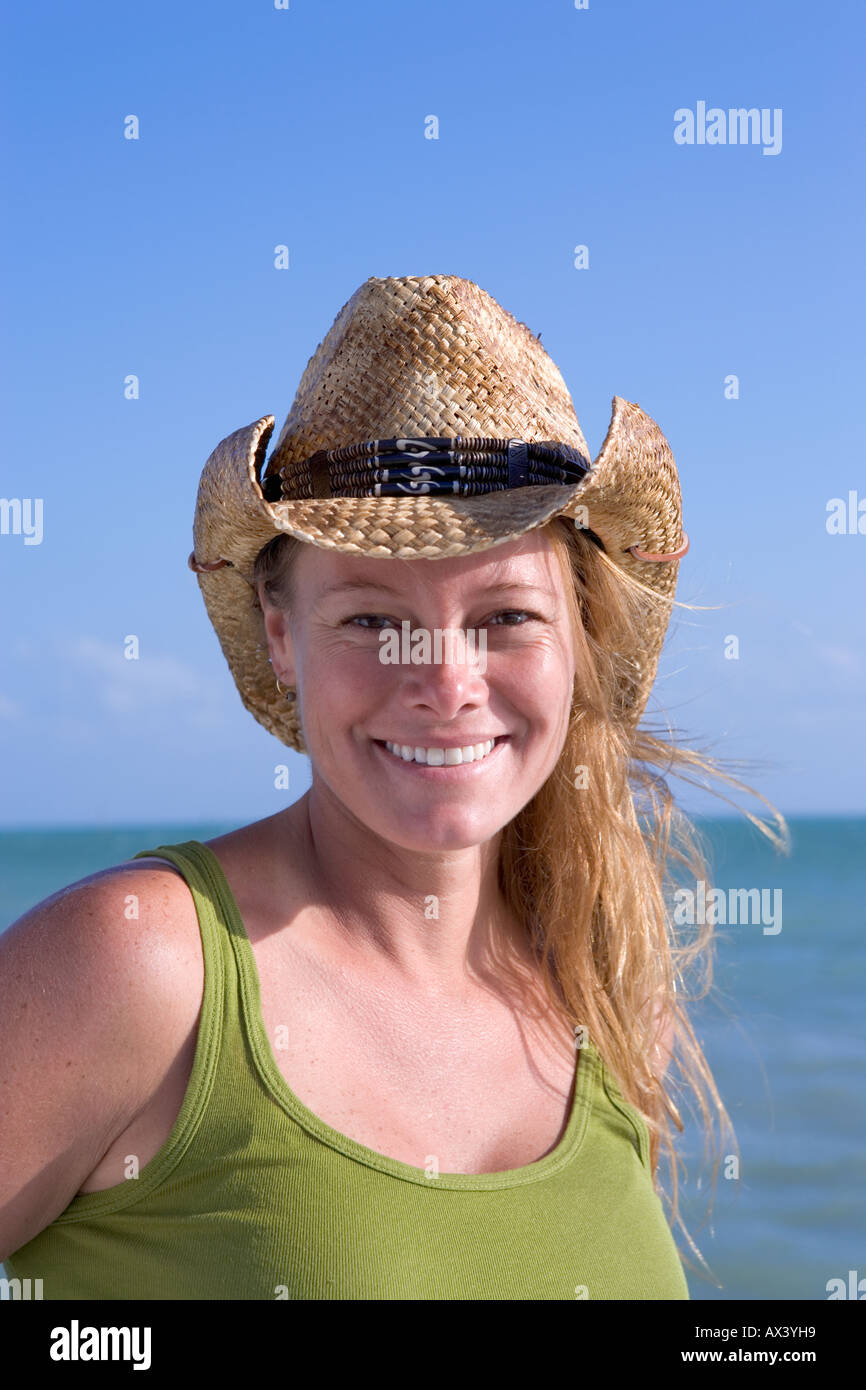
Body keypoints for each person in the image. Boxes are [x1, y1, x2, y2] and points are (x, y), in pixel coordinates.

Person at [0, 274, 786, 1300]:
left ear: (581, 634)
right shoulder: (143, 967)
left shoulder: (601, 984)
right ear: (283, 638)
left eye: (504, 617)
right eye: (371, 619)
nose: (444, 685)